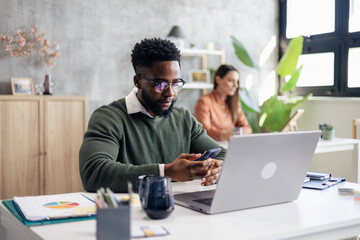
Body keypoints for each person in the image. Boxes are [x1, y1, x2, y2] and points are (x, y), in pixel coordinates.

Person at [79, 38, 224, 193]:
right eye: (160, 84)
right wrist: (165, 172)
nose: (170, 93)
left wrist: (217, 169)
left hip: (180, 210)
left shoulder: (184, 119)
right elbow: (94, 172)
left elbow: (223, 154)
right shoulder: (109, 117)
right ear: (138, 82)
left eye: (175, 84)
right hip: (130, 213)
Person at [194, 64, 252, 141]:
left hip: (231, 145)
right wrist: (222, 135)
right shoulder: (204, 102)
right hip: (213, 147)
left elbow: (247, 128)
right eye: (231, 81)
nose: (236, 85)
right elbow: (203, 130)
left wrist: (236, 134)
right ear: (218, 80)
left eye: (237, 81)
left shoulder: (235, 104)